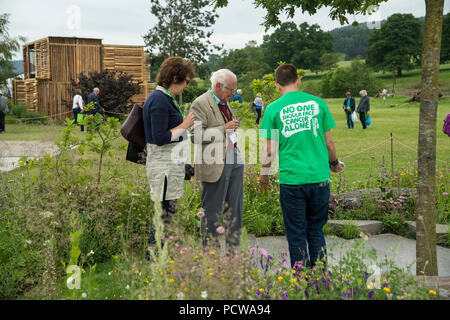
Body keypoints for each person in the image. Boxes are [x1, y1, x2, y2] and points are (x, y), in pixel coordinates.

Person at [258, 63, 343, 269]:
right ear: (298, 80)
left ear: (277, 85)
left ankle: (300, 282)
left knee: (296, 234)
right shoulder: (318, 103)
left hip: (292, 180)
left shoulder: (273, 109)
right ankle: (320, 279)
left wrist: (264, 176)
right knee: (315, 230)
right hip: (319, 178)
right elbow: (329, 143)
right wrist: (333, 163)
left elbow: (269, 151)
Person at [143, 56, 195, 259]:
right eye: (186, 81)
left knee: (167, 212)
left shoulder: (165, 98)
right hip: (162, 167)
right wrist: (185, 124)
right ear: (175, 77)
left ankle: (159, 254)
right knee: (163, 213)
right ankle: (154, 256)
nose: (186, 86)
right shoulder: (158, 100)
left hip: (170, 164)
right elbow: (160, 137)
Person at [190, 69, 244, 249]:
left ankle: (233, 254)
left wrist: (231, 129)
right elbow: (195, 135)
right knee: (212, 212)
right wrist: (223, 128)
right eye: (231, 90)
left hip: (233, 157)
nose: (233, 93)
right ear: (218, 86)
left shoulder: (224, 101)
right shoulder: (200, 103)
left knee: (235, 209)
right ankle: (212, 256)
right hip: (214, 163)